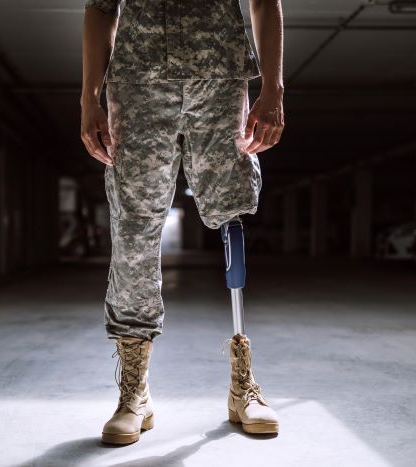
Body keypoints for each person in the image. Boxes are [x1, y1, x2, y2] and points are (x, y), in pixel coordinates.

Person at [80, 0, 285, 444]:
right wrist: (87, 97)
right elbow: (100, 9)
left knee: (232, 216)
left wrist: (274, 90)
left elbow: (264, 2)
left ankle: (242, 384)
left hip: (220, 78)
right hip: (136, 83)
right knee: (133, 230)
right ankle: (134, 391)